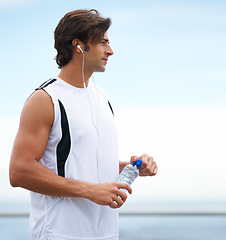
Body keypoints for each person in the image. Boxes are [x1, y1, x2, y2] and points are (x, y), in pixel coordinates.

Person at [9, 9, 158, 240]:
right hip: (59, 234)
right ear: (78, 46)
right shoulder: (46, 99)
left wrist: (131, 166)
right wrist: (90, 191)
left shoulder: (102, 97)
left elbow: (82, 162)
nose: (110, 50)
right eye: (102, 43)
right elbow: (19, 171)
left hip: (107, 234)